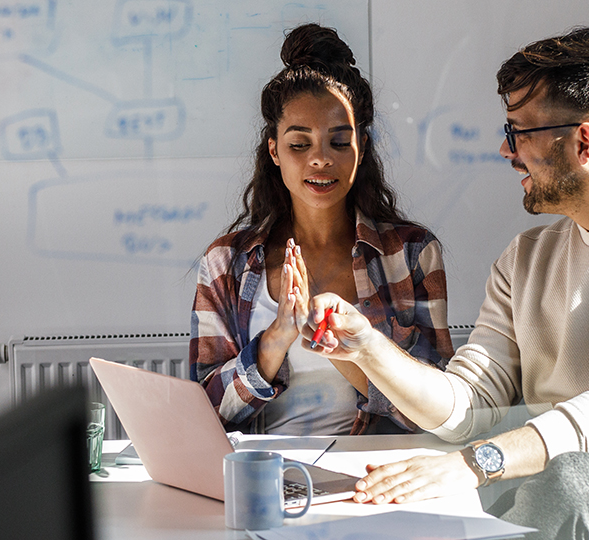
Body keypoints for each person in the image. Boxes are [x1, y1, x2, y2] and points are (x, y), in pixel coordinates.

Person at [303, 27, 589, 539]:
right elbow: (468, 410)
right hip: (550, 502)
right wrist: (367, 348)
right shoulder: (525, 259)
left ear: (584, 142)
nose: (507, 152)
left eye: (517, 132)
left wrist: (477, 462)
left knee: (565, 482)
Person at [189, 23, 454, 437]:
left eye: (338, 142)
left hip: (373, 478)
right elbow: (204, 415)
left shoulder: (411, 252)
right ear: (274, 150)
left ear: (361, 148)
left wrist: (340, 344)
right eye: (299, 144)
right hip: (265, 476)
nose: (319, 160)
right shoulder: (225, 262)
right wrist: (277, 338)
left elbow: (438, 413)